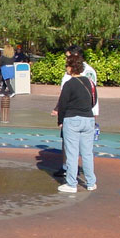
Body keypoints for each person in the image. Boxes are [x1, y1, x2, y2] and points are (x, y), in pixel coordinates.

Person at [52, 45, 99, 178]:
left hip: (76, 114)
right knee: (77, 147)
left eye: (68, 57)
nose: (66, 60)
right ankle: (88, 179)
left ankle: (71, 178)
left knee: (75, 148)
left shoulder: (87, 72)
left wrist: (61, 117)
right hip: (80, 113)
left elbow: (91, 95)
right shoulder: (70, 74)